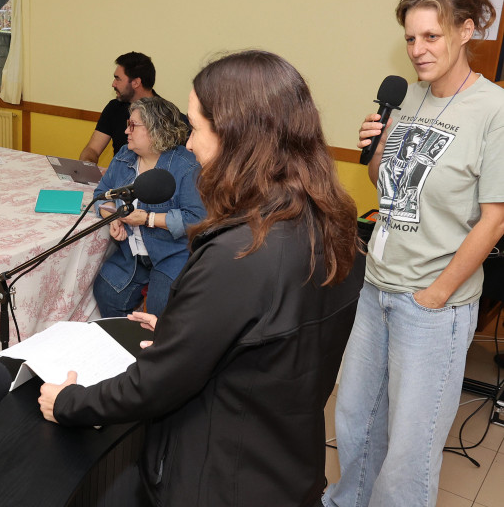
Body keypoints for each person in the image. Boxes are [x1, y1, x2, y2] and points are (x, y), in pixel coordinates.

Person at [39, 50, 364, 507]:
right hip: (289, 467)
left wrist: (70, 402)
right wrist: (185, 330)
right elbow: (273, 347)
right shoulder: (336, 224)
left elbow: (156, 384)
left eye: (195, 128)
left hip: (216, 478)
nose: (188, 144)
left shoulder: (240, 253)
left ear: (238, 136)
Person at [324, 0, 504, 507]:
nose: (417, 50)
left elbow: (494, 220)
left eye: (430, 36)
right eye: (409, 38)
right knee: (355, 419)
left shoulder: (494, 109)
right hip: (377, 287)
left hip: (431, 303)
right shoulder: (410, 95)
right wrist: (377, 147)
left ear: (466, 30)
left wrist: (438, 293)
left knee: (409, 450)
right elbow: (391, 187)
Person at [92, 95, 204, 317]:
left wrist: (147, 219)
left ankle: (151, 348)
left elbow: (197, 219)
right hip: (131, 254)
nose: (126, 132)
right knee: (105, 292)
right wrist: (113, 217)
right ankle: (122, 346)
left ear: (156, 130)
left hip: (173, 254)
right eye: (127, 125)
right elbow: (100, 196)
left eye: (133, 126)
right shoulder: (125, 156)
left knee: (158, 308)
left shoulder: (186, 166)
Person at [79, 52, 157, 164]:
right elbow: (92, 149)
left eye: (118, 79)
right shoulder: (114, 107)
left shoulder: (166, 115)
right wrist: (87, 166)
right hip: (116, 177)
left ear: (136, 82)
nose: (113, 84)